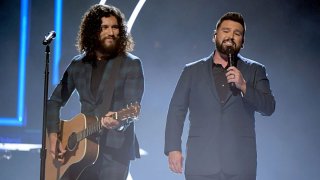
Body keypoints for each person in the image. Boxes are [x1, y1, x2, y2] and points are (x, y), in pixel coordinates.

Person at [164, 12, 275, 180]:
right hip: (200, 162)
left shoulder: (255, 70)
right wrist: (173, 148)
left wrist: (244, 86)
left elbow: (268, 107)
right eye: (226, 31)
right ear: (215, 35)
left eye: (237, 33)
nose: (230, 36)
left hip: (240, 165)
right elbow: (176, 110)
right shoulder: (192, 71)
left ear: (242, 42)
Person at [46, 4, 144, 180]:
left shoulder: (131, 64)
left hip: (115, 150)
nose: (111, 32)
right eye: (104, 27)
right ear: (93, 31)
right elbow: (54, 102)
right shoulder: (78, 64)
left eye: (115, 27)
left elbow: (132, 106)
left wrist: (119, 122)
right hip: (80, 148)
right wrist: (53, 136)